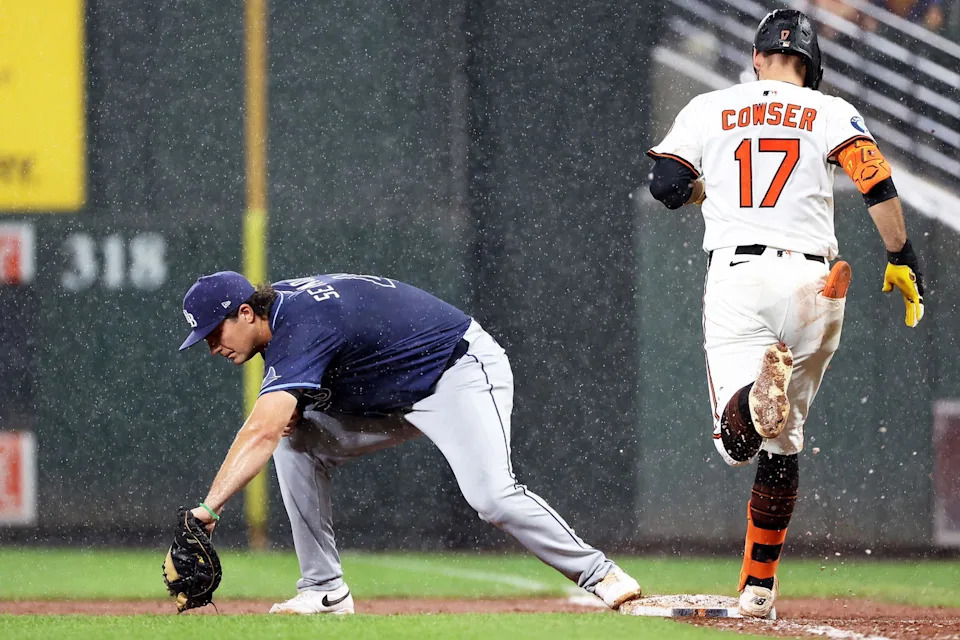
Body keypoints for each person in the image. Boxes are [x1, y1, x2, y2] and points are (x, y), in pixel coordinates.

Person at [646, 9, 925, 618]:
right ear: (811, 64)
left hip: (739, 276)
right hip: (815, 282)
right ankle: (758, 589)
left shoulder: (709, 106)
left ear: (756, 57)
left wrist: (703, 189)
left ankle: (753, 400)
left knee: (737, 442)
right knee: (784, 443)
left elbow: (665, 185)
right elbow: (875, 180)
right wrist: (901, 255)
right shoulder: (828, 110)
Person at [177, 271, 643, 614]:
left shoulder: (302, 323)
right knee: (294, 442)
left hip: (454, 373)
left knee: (492, 497)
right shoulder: (280, 317)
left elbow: (258, 429)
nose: (213, 347)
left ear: (246, 313)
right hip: (389, 396)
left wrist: (208, 510)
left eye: (215, 333)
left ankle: (599, 573)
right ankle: (323, 591)